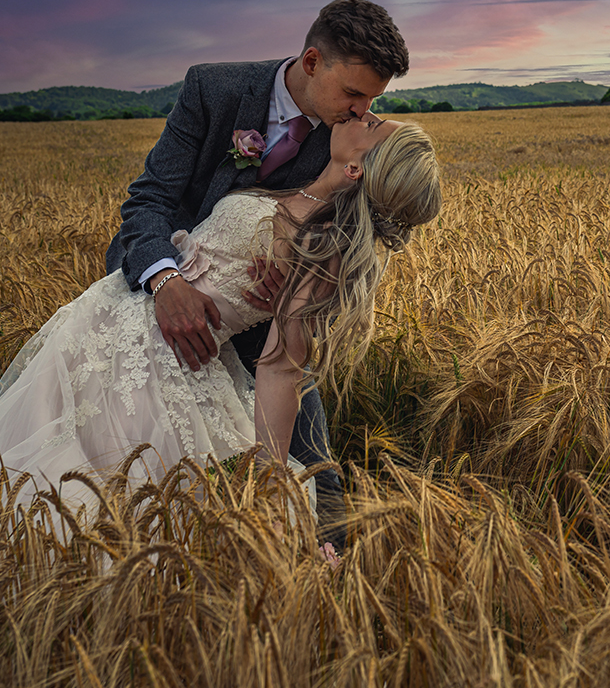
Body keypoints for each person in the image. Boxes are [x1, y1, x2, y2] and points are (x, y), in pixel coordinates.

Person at [0, 118, 441, 528]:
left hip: (154, 368)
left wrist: (269, 478)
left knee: (81, 495)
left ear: (356, 170)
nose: (364, 114)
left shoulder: (323, 250)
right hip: (103, 324)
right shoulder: (299, 190)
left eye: (374, 125)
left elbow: (282, 365)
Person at [105, 0, 410, 543]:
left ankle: (325, 577)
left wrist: (290, 279)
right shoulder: (213, 89)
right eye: (355, 93)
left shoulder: (351, 142)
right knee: (126, 455)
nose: (365, 110)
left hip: (263, 316)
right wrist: (165, 281)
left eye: (374, 98)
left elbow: (342, 237)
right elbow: (149, 200)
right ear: (313, 61)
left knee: (314, 469)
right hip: (160, 294)